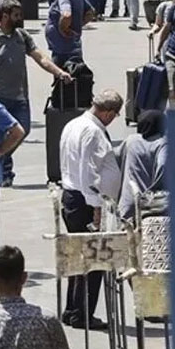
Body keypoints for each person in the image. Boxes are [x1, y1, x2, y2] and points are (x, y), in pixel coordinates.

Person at [0, 0, 72, 185]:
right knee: (4, 135)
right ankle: (3, 170)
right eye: (16, 15)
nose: (20, 19)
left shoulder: (22, 36)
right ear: (4, 16)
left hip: (20, 98)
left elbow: (40, 58)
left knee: (22, 131)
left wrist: (59, 73)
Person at [58, 90, 124, 330]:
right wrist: (96, 208)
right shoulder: (93, 132)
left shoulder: (73, 124)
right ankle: (83, 314)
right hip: (86, 202)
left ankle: (72, 309)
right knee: (94, 259)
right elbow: (88, 173)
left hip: (73, 197)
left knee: (78, 257)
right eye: (114, 115)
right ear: (108, 112)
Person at [118, 110, 166, 223]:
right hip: (148, 207)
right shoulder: (162, 144)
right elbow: (163, 166)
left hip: (126, 203)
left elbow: (117, 157)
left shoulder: (130, 141)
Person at [45, 0, 93, 67]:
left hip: (62, 49)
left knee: (62, 76)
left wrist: (64, 29)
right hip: (73, 46)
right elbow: (90, 12)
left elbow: (66, 15)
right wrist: (79, 24)